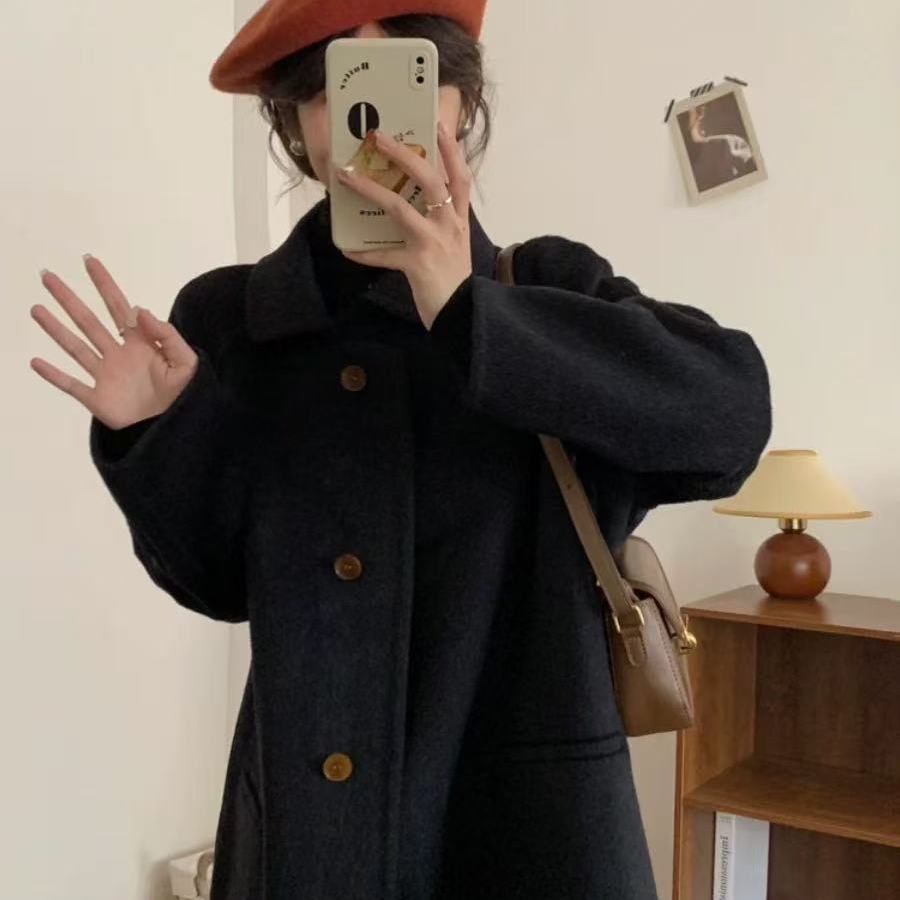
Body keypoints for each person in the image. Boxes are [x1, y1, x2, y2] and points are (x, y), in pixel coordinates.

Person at [29, 2, 773, 898]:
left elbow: (729, 421)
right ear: (297, 127)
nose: (374, 124)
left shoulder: (545, 286)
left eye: (406, 80)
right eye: (333, 88)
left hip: (536, 835)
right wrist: (159, 431)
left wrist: (472, 315)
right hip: (307, 838)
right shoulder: (232, 320)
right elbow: (220, 584)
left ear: (461, 102)